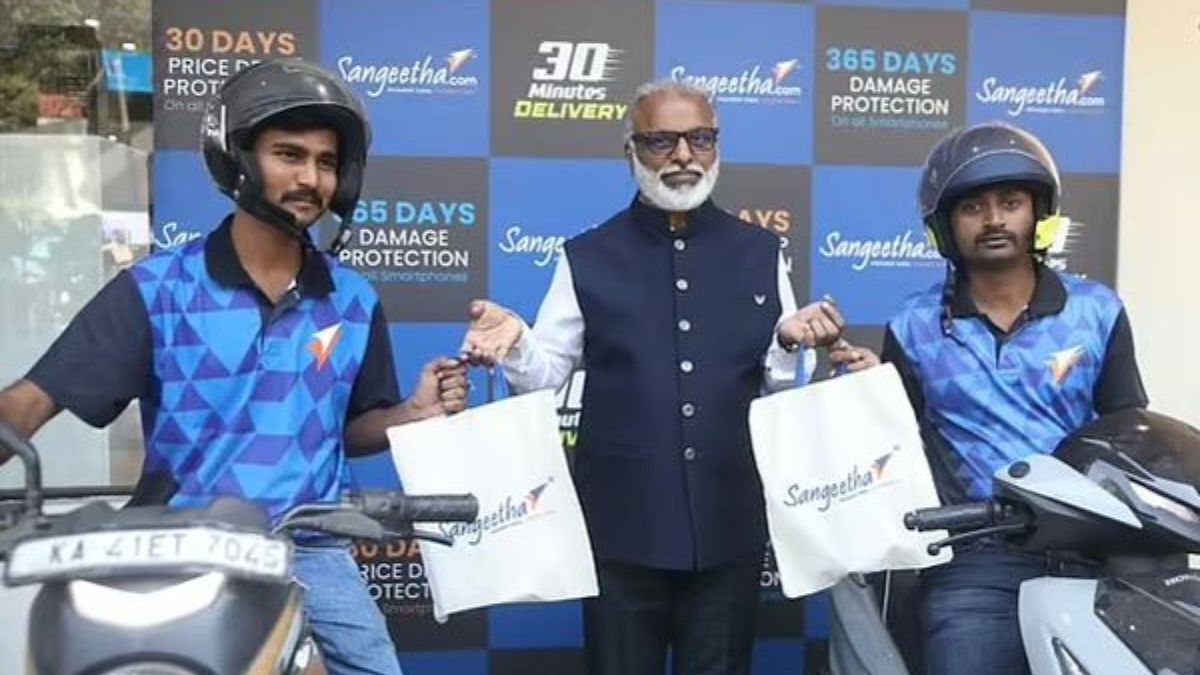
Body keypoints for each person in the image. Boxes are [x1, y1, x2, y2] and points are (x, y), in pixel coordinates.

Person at [0, 58, 467, 675]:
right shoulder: (158, 289)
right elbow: (29, 402)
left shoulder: (353, 298)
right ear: (238, 159)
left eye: (326, 162)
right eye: (289, 155)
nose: (310, 178)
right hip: (182, 547)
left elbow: (351, 430)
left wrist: (412, 413)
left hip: (310, 548)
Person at [460, 80, 862, 675]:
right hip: (621, 530)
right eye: (661, 141)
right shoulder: (586, 255)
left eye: (700, 139)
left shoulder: (761, 251)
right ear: (630, 151)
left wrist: (787, 343)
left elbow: (781, 386)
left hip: (730, 525)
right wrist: (517, 339)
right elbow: (545, 378)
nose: (683, 156)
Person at [869, 121, 1147, 675]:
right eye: (973, 207)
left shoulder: (1097, 310)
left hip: (1091, 550)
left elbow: (1130, 432)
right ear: (944, 227)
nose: (994, 219)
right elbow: (890, 449)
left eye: (1011, 202)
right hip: (976, 558)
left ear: (1039, 213)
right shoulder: (912, 325)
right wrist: (860, 388)